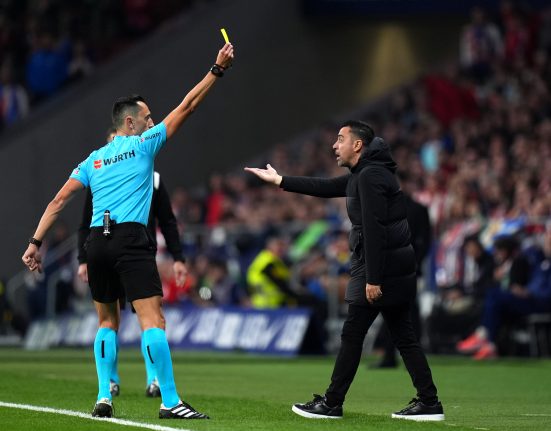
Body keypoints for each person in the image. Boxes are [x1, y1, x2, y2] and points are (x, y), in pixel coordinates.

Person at [22, 41, 234, 419]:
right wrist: (216, 70)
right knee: (152, 320)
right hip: (131, 239)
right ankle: (170, 401)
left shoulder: (92, 160)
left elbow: (58, 202)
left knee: (107, 322)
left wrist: (35, 243)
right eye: (148, 117)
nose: (153, 122)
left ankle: (104, 396)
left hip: (95, 243)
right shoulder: (142, 146)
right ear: (130, 123)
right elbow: (187, 105)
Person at [245, 120, 444, 421]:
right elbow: (326, 187)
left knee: (353, 333)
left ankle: (332, 402)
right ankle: (429, 402)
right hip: (393, 267)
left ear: (358, 145)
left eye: (340, 139)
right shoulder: (368, 174)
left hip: (381, 269)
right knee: (402, 335)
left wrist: (373, 278)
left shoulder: (370, 176)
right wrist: (281, 180)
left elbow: (376, 230)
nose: (334, 145)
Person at [77, 128, 187, 398]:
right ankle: (115, 381)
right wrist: (82, 259)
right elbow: (85, 222)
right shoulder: (101, 175)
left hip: (128, 250)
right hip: (133, 251)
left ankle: (148, 381)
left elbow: (168, 221)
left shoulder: (151, 178)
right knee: (138, 319)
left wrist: (178, 257)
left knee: (130, 320)